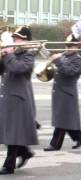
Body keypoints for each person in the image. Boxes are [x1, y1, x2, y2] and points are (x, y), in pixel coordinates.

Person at [0, 26, 38, 174]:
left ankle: (9, 166)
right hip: (7, 96)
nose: (15, 40)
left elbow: (18, 68)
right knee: (10, 131)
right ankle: (25, 152)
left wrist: (9, 55)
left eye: (18, 38)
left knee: (13, 133)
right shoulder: (12, 54)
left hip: (18, 98)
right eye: (14, 38)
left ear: (26, 40)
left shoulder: (29, 55)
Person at [43, 34, 81, 151]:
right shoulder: (64, 56)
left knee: (61, 121)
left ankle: (55, 144)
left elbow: (70, 72)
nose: (69, 48)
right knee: (64, 120)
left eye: (72, 46)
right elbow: (56, 69)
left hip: (67, 93)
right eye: (67, 45)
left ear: (77, 47)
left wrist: (57, 61)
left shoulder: (78, 59)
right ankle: (79, 136)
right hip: (59, 92)